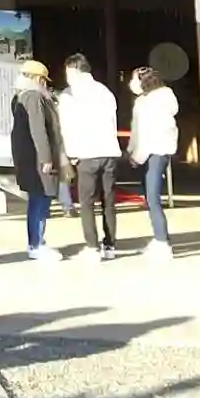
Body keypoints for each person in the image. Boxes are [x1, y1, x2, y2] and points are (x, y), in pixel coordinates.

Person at [58, 54, 123, 261]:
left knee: (87, 203)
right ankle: (110, 246)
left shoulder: (69, 95)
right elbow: (112, 121)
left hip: (86, 154)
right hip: (109, 152)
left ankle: (92, 247)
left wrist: (71, 154)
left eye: (68, 72)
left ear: (74, 70)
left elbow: (67, 127)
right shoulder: (105, 91)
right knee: (108, 201)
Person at [11, 59, 68, 262]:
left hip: (29, 158)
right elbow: (39, 129)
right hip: (37, 159)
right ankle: (36, 244)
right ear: (37, 79)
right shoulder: (34, 97)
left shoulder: (21, 96)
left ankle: (36, 242)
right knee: (40, 200)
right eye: (43, 80)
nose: (45, 84)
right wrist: (46, 158)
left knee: (38, 200)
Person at [129, 64, 179, 259]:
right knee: (151, 198)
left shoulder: (149, 103)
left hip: (153, 153)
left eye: (134, 79)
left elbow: (146, 134)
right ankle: (159, 238)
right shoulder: (155, 99)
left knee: (152, 199)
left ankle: (162, 242)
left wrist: (136, 156)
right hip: (158, 152)